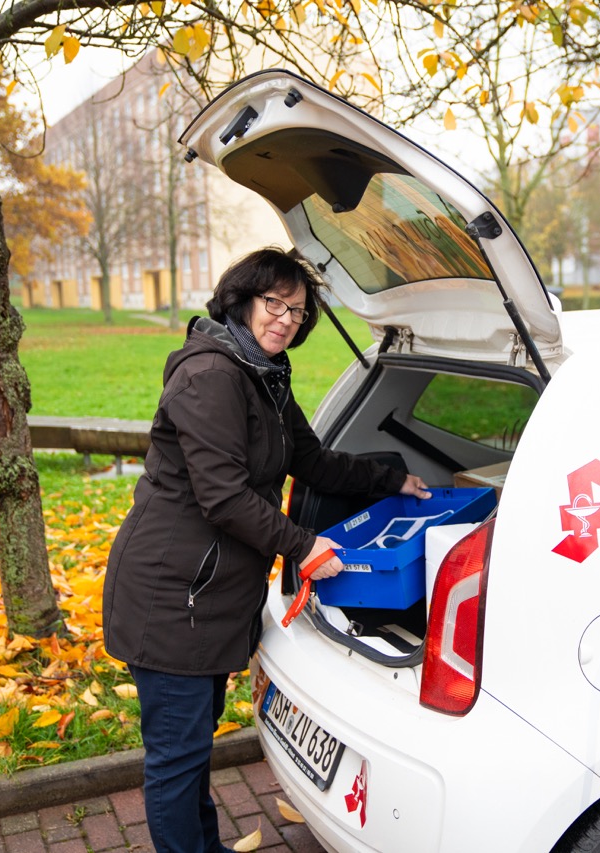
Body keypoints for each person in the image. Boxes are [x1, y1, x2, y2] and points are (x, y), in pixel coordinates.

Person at [102, 247, 429, 853]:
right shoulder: (212, 376)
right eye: (272, 303)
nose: (283, 318)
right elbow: (222, 496)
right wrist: (303, 546)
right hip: (171, 593)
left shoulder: (264, 377)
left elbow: (310, 460)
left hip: (205, 590)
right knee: (176, 757)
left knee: (191, 747)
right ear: (243, 299)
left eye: (296, 311)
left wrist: (391, 479)